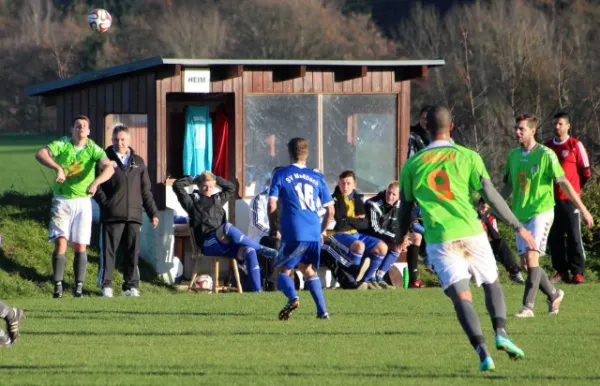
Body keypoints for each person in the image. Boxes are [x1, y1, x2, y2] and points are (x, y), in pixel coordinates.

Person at [397, 105, 535, 371]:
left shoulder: (412, 164)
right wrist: (518, 226)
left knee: (462, 297)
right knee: (492, 282)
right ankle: (501, 333)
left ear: (426, 128)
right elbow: (491, 195)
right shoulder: (468, 156)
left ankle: (483, 353)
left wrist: (399, 237)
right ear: (452, 126)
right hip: (472, 231)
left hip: (440, 238)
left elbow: (404, 209)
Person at [502, 114, 593, 318]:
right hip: (520, 215)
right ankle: (553, 294)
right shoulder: (513, 156)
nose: (517, 132)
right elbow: (507, 187)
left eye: (521, 129)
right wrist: (491, 207)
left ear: (532, 131)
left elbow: (565, 183)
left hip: (541, 212)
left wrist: (584, 210)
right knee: (527, 264)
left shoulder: (546, 155)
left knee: (533, 257)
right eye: (516, 128)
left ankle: (528, 307)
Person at [35, 115, 115, 298]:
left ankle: (78, 287)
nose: (80, 128)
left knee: (80, 245)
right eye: (77, 125)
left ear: (88, 131)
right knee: (61, 241)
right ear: (72, 129)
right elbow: (40, 154)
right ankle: (58, 285)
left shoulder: (92, 148)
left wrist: (95, 183)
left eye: (84, 126)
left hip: (83, 202)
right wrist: (58, 168)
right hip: (62, 199)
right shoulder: (63, 144)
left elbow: (109, 167)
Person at [173, 172, 278, 292]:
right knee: (227, 227)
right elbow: (177, 186)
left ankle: (257, 292)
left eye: (211, 186)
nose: (208, 189)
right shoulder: (191, 201)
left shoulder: (217, 199)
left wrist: (217, 178)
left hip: (225, 244)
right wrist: (192, 178)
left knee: (249, 251)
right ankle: (261, 248)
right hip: (207, 243)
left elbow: (231, 187)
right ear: (198, 185)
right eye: (204, 186)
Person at [268, 137, 335, 320]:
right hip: (313, 231)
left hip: (294, 231)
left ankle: (293, 297)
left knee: (283, 271)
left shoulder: (281, 174)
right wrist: (322, 231)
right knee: (308, 269)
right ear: (307, 155)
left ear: (289, 154)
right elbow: (330, 210)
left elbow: (272, 205)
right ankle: (322, 312)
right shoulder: (316, 177)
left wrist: (274, 226)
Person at [94, 124, 159, 297]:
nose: (119, 142)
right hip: (112, 215)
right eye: (116, 139)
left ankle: (131, 286)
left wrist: (153, 212)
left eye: (123, 139)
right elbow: (96, 186)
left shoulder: (138, 162)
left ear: (129, 140)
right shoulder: (104, 159)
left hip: (134, 215)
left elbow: (146, 190)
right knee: (109, 252)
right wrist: (106, 204)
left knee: (132, 252)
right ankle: (106, 285)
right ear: (111, 140)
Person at [544, 112, 592, 284]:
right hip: (551, 199)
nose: (557, 127)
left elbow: (586, 171)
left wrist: (575, 190)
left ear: (568, 126)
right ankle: (560, 270)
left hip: (570, 200)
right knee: (554, 236)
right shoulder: (547, 147)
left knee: (573, 235)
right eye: (555, 124)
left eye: (561, 124)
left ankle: (577, 272)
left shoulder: (574, 145)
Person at [326, 171, 389, 289]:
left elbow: (365, 224)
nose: (345, 186)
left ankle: (366, 281)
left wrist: (348, 220)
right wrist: (355, 221)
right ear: (338, 184)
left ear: (354, 185)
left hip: (355, 234)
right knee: (359, 246)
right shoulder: (333, 199)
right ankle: (352, 281)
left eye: (348, 183)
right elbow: (339, 223)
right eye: (342, 183)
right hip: (337, 234)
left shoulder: (358, 199)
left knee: (382, 247)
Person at [365, 181, 423, 288]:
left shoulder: (402, 204)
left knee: (416, 237)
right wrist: (396, 237)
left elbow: (404, 224)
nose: (390, 196)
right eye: (388, 193)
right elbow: (374, 229)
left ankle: (382, 276)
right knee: (394, 244)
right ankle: (371, 277)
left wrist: (404, 237)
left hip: (388, 236)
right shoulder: (373, 204)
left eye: (393, 194)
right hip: (372, 237)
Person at [477, 198, 525, 284]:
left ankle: (514, 272)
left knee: (500, 243)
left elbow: (495, 237)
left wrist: (487, 222)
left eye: (486, 208)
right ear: (478, 206)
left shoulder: (491, 219)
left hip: (486, 246)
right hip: (473, 246)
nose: (483, 210)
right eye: (482, 207)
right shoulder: (473, 218)